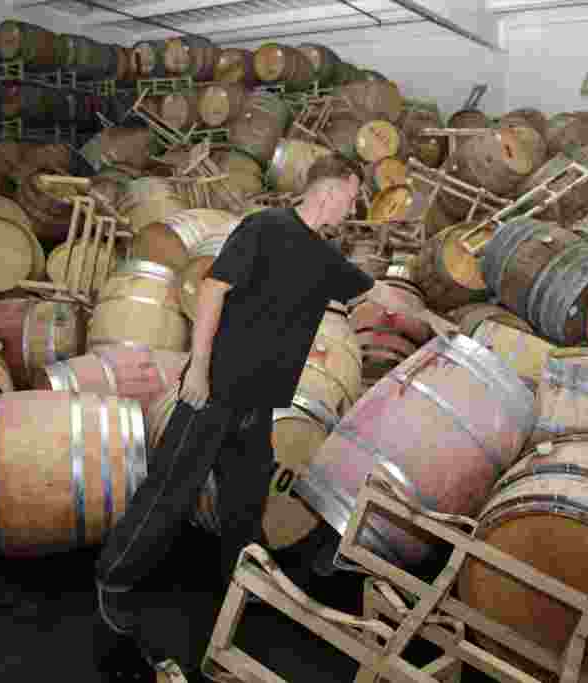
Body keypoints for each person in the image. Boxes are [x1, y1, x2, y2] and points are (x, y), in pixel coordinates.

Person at [94, 153, 458, 679]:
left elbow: (379, 294)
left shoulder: (322, 255)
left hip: (258, 403)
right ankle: (115, 582)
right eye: (352, 195)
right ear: (331, 189)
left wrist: (437, 324)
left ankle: (240, 582)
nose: (354, 206)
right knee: (171, 488)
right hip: (215, 390)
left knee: (245, 501)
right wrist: (197, 368)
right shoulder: (265, 227)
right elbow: (215, 290)